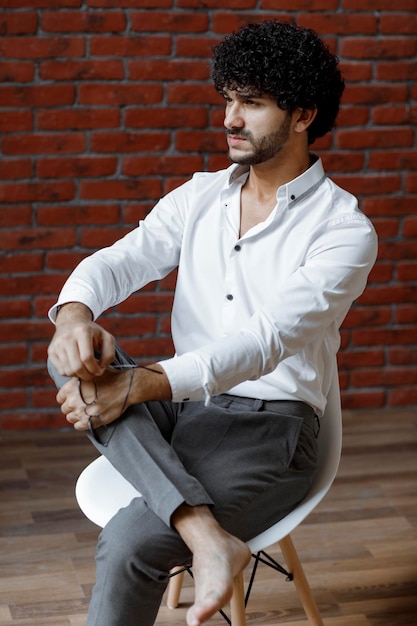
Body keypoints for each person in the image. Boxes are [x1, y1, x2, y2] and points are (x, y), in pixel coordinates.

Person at [47, 19, 377, 626]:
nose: (229, 119)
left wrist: (141, 382)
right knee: (69, 349)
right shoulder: (200, 197)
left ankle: (188, 524)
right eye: (228, 99)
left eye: (251, 103)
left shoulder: (343, 232)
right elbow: (120, 260)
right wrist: (73, 317)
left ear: (303, 115)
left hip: (271, 426)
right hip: (184, 407)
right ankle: (203, 531)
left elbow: (263, 342)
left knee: (128, 546)